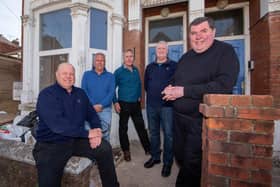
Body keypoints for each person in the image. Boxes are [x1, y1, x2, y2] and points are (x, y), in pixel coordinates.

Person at [162, 17, 239, 186]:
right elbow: (177, 81)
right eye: (194, 33)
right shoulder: (185, 57)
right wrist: (171, 88)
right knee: (181, 157)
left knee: (191, 166)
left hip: (200, 121)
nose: (198, 37)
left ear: (213, 32)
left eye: (203, 31)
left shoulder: (225, 52)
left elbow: (223, 86)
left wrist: (183, 91)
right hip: (178, 119)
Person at [33, 63, 119, 187]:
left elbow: (92, 114)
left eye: (71, 74)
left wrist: (97, 130)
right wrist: (88, 133)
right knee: (48, 181)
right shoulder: (47, 95)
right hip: (51, 144)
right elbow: (58, 125)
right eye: (65, 73)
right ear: (57, 75)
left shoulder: (80, 94)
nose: (68, 76)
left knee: (104, 148)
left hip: (75, 139)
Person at [143, 41, 177, 177]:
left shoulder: (174, 66)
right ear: (155, 51)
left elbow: (178, 83)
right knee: (154, 133)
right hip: (151, 105)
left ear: (167, 51)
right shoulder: (149, 67)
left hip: (167, 107)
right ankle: (155, 157)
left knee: (169, 135)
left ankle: (167, 162)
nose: (161, 50)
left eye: (163, 48)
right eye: (159, 48)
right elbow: (146, 85)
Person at [113, 49, 150, 161]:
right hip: (123, 103)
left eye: (131, 56)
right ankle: (126, 151)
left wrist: (139, 96)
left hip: (135, 104)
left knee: (141, 127)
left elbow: (139, 84)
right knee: (123, 128)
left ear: (133, 58)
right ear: (123, 59)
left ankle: (148, 148)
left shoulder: (136, 70)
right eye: (127, 56)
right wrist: (115, 102)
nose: (129, 58)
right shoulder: (118, 72)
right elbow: (112, 88)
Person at [82, 53, 115, 142]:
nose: (100, 62)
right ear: (94, 62)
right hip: (89, 109)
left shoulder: (111, 76)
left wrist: (101, 105)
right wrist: (93, 105)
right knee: (90, 134)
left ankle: (105, 155)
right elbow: (84, 91)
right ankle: (92, 155)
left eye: (102, 60)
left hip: (105, 110)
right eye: (97, 60)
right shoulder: (86, 75)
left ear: (105, 62)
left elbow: (111, 93)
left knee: (104, 134)